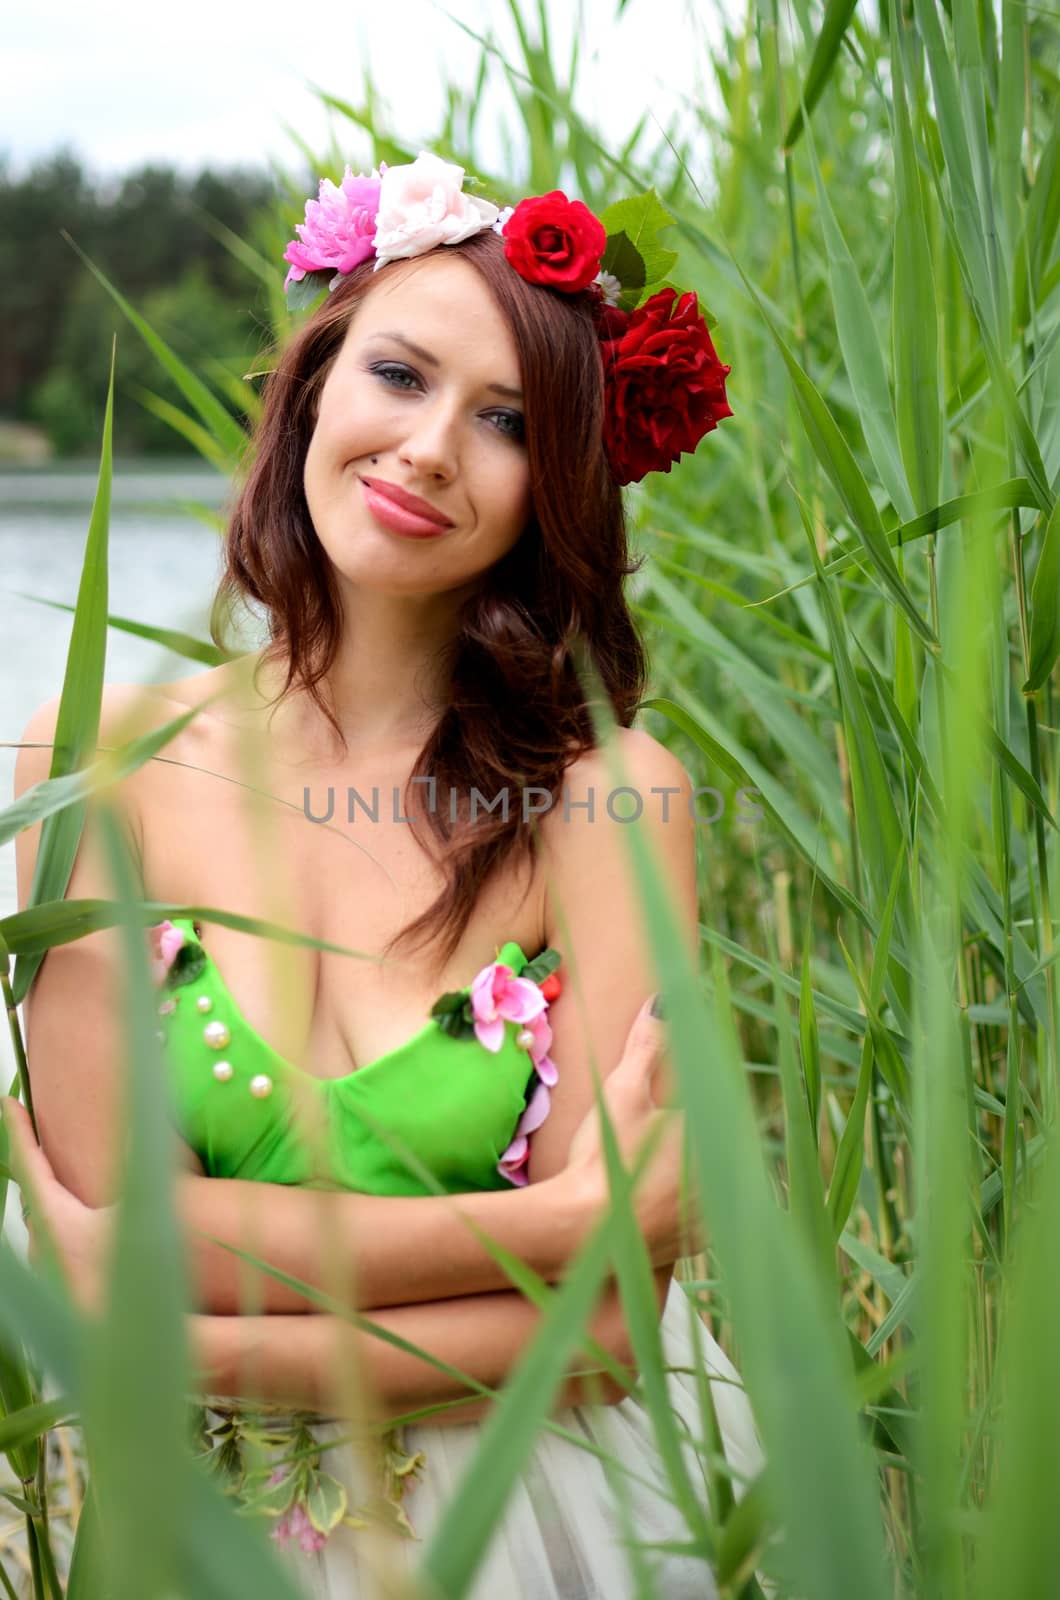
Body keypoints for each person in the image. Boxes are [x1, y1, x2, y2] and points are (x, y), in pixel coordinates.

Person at [6, 151, 762, 1597]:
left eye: (507, 422)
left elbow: (608, 1335)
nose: (428, 451)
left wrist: (189, 1328)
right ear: (314, 386)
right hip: (177, 1528)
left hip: (536, 1526)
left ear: (560, 486)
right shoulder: (94, 762)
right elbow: (121, 1221)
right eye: (401, 377)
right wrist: (542, 1231)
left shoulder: (607, 802)